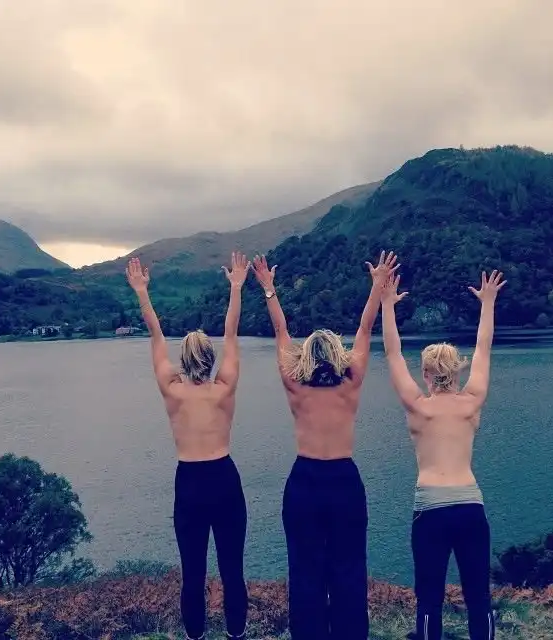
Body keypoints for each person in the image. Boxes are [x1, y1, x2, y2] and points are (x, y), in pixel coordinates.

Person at [251, 250, 400, 640]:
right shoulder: (352, 382)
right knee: (349, 568)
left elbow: (281, 331)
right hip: (343, 481)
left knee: (305, 570)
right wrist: (376, 286)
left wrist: (269, 289)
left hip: (304, 482)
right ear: (336, 353)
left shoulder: (294, 384)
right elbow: (365, 329)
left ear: (306, 355)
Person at [126, 252, 251, 640]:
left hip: (190, 484)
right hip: (225, 480)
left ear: (184, 359)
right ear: (211, 359)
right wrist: (236, 287)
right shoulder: (224, 388)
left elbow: (156, 336)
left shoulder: (172, 389)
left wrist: (142, 292)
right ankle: (236, 635)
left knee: (192, 573)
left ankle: (195, 636)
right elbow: (231, 333)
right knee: (232, 571)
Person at [380, 270, 506, 640]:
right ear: (455, 370)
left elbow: (392, 352)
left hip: (430, 509)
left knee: (429, 599)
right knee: (478, 597)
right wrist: (487, 303)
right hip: (470, 505)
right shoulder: (471, 402)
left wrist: (387, 304)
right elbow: (483, 349)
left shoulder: (418, 406)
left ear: (426, 373)